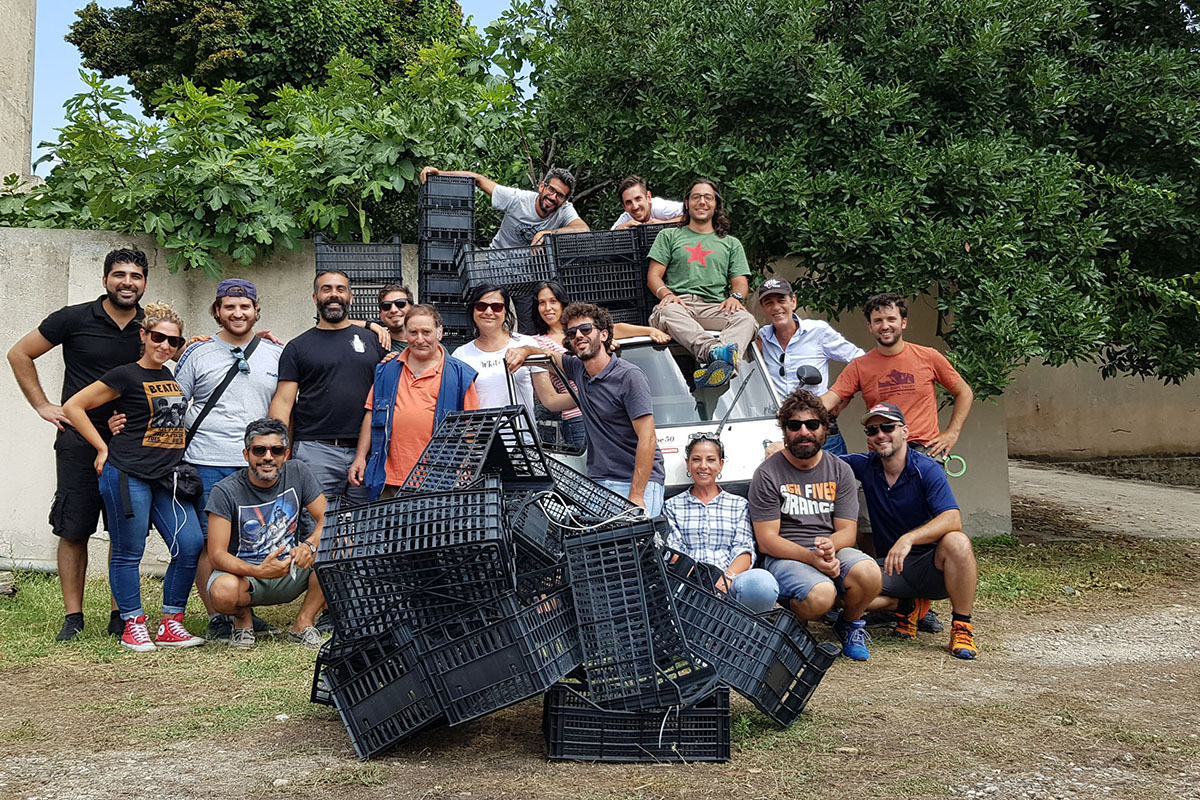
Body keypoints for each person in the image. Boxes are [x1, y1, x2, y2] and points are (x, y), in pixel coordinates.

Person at [7, 248, 148, 641]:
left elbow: (178, 348)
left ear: (144, 283)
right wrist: (42, 405)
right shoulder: (73, 318)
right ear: (105, 280)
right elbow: (19, 353)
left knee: (124, 532)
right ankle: (74, 616)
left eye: (135, 276)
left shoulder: (148, 324)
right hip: (77, 441)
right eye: (119, 275)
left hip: (128, 442)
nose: (127, 282)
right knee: (74, 528)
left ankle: (123, 615)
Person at [61, 303, 206, 652]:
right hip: (128, 472)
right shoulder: (125, 374)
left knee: (189, 545)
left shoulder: (172, 375)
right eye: (158, 337)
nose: (165, 346)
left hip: (165, 476)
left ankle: (171, 624)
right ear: (143, 335)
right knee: (129, 551)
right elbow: (73, 407)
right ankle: (133, 624)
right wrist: (101, 447)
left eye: (173, 341)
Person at [170, 278, 283, 640]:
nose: (237, 313)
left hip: (256, 462)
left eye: (244, 306)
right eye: (229, 307)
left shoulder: (274, 354)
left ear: (255, 310)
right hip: (207, 460)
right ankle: (218, 615)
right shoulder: (196, 353)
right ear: (217, 311)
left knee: (247, 542)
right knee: (210, 543)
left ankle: (239, 612)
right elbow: (172, 405)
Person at [749, 390, 882, 661]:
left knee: (870, 573)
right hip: (785, 555)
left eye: (812, 424)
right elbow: (767, 540)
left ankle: (850, 623)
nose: (804, 431)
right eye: (794, 425)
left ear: (824, 428)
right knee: (822, 595)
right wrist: (811, 557)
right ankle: (789, 617)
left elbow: (847, 531)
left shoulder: (840, 469)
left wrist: (828, 549)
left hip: (828, 549)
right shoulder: (767, 473)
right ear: (785, 430)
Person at [845, 403, 979, 659]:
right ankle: (908, 606)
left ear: (905, 431)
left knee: (957, 542)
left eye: (887, 427)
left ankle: (962, 627)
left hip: (932, 567)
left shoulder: (926, 468)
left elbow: (952, 518)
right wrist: (779, 450)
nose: (880, 435)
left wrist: (910, 538)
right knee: (839, 595)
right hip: (891, 567)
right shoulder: (865, 465)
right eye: (872, 430)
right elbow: (817, 458)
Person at [510, 302, 666, 515]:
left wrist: (636, 496)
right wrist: (524, 350)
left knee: (637, 543)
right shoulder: (578, 369)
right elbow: (546, 356)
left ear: (603, 335)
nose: (578, 336)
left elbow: (647, 438)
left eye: (585, 329)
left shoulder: (629, 376)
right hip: (599, 482)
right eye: (572, 333)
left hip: (637, 481)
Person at [205, 418, 329, 649]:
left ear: (286, 454)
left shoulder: (298, 472)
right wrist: (258, 570)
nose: (268, 457)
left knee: (344, 545)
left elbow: (328, 518)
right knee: (222, 592)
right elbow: (217, 555)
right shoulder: (224, 491)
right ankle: (242, 620)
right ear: (246, 454)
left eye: (276, 450)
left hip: (291, 567)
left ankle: (303, 623)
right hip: (247, 576)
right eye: (259, 450)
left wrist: (308, 546)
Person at [268, 269, 386, 508]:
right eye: (326, 289)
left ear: (350, 297)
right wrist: (278, 446)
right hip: (315, 451)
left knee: (365, 529)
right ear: (315, 298)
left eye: (340, 289)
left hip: (367, 452)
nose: (334, 295)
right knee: (315, 530)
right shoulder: (297, 347)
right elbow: (283, 402)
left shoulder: (373, 341)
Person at [822, 293, 974, 461]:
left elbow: (964, 392)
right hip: (882, 454)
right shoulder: (859, 366)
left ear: (903, 323)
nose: (885, 326)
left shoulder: (929, 357)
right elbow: (830, 399)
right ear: (870, 326)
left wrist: (953, 432)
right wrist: (797, 411)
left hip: (924, 452)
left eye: (891, 319)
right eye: (878, 321)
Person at [349, 305, 480, 499]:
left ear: (439, 333)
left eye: (426, 332)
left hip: (439, 480)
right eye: (413, 332)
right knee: (389, 529)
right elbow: (372, 414)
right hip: (389, 479)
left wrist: (468, 468)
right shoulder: (387, 370)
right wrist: (360, 457)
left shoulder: (460, 375)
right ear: (405, 334)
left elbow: (471, 428)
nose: (420, 339)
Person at [531, 280, 669, 449]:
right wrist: (593, 395)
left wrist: (650, 331)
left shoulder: (584, 329)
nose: (548, 308)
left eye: (553, 301)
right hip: (577, 420)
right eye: (541, 303)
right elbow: (550, 401)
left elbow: (617, 328)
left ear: (562, 303)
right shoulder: (537, 344)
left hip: (614, 412)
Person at [647, 178, 756, 388]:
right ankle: (714, 352)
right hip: (679, 307)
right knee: (667, 312)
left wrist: (736, 297)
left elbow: (740, 283)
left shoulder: (731, 243)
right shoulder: (668, 235)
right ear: (687, 203)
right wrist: (666, 294)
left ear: (716, 204)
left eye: (708, 197)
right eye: (696, 197)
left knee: (746, 320)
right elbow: (653, 276)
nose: (702, 202)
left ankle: (722, 365)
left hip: (714, 307)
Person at [664, 433, 779, 613]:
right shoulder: (672, 506)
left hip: (730, 581)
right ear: (688, 464)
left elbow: (744, 549)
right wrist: (699, 581)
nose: (703, 466)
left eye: (711, 460)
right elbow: (673, 550)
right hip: (687, 582)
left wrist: (725, 581)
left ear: (721, 464)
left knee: (762, 583)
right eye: (696, 460)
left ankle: (745, 633)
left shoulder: (739, 505)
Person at [756, 277, 864, 455]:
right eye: (769, 302)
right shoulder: (762, 338)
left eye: (781, 300)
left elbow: (860, 361)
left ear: (793, 301)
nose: (776, 307)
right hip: (783, 428)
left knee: (835, 479)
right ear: (763, 308)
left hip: (820, 424)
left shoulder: (818, 332)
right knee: (788, 482)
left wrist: (839, 398)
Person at [450, 284, 573, 430]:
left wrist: (590, 396)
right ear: (473, 310)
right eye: (481, 306)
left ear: (505, 312)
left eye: (496, 307)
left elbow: (550, 400)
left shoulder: (527, 344)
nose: (488, 312)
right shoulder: (460, 355)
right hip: (482, 444)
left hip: (523, 442)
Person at [419, 166, 589, 247]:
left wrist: (547, 233)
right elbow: (477, 179)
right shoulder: (517, 199)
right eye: (551, 189)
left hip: (530, 272)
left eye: (560, 195)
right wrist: (440, 173)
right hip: (498, 262)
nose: (553, 197)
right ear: (542, 186)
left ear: (565, 199)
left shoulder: (564, 209)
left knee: (529, 316)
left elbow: (582, 230)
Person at [610, 175, 684, 230]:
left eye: (638, 198)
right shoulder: (626, 218)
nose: (635, 206)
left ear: (648, 197)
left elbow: (692, 214)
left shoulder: (660, 208)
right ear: (624, 207)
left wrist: (664, 224)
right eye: (628, 202)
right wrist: (619, 229)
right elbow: (607, 239)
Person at [376, 284, 414, 352]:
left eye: (400, 303)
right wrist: (370, 325)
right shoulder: (376, 344)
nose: (393, 310)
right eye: (386, 306)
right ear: (380, 314)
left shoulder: (429, 344)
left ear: (412, 308)